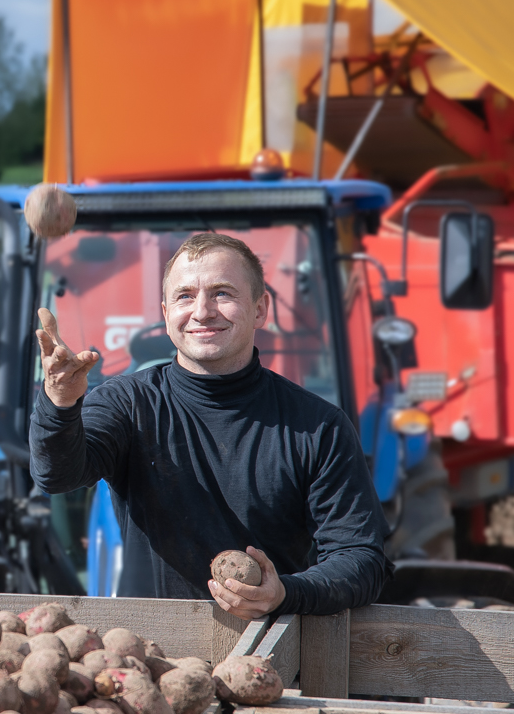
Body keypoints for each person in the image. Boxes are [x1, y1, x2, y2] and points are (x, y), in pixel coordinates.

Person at [29, 231, 388, 617]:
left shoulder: (318, 427)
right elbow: (56, 475)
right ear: (166, 315)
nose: (202, 311)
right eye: (185, 296)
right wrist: (61, 403)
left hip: (269, 653)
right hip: (150, 657)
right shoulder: (127, 404)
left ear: (260, 310)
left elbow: (360, 557)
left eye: (222, 293)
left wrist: (285, 593)